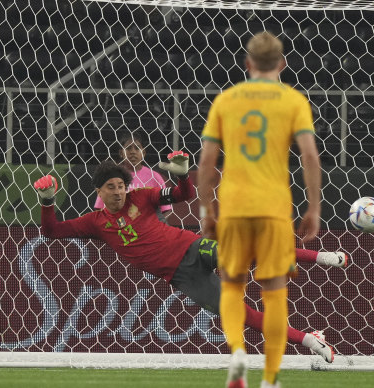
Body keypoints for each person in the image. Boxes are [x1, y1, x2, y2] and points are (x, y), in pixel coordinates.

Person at [34, 156, 338, 371]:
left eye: (120, 185)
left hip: (192, 247)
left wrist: (181, 174)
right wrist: (47, 202)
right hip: (181, 277)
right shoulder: (95, 223)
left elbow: (183, 194)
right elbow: (51, 232)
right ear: (99, 192)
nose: (117, 191)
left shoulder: (141, 196)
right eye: (111, 187)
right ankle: (310, 340)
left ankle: (321, 257)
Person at [197, 32, 322, 388]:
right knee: (274, 290)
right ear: (281, 64)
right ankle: (270, 378)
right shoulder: (293, 100)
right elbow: (310, 157)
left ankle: (237, 352)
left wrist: (207, 211)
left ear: (247, 63)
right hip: (274, 209)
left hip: (234, 207)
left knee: (232, 285)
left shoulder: (227, 99)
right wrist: (314, 207)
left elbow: (207, 161)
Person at [95, 131, 172, 222]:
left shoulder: (154, 177)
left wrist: (150, 226)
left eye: (137, 148)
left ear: (143, 153)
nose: (133, 152)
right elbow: (99, 208)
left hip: (148, 231)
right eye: (128, 148)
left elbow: (166, 210)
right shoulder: (111, 177)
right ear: (121, 153)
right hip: (120, 229)